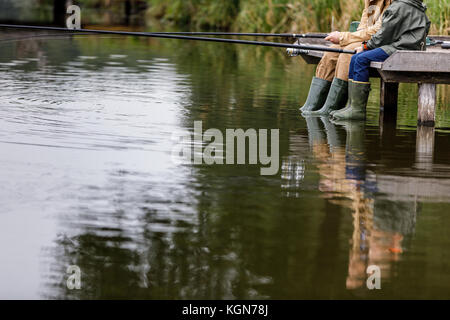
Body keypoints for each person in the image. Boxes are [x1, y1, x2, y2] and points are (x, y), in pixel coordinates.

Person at [332, 0, 430, 120]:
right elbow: (426, 25)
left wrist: (365, 46)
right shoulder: (415, 5)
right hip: (406, 46)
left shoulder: (398, 7)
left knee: (360, 59)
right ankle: (351, 106)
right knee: (356, 58)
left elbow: (383, 34)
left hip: (401, 49)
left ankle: (357, 110)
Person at [301, 0, 392, 115]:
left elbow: (378, 31)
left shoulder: (392, 3)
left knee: (348, 52)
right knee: (330, 52)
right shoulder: (370, 1)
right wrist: (349, 38)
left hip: (382, 42)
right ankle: (312, 105)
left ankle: (332, 107)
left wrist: (344, 37)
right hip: (368, 38)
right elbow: (364, 25)